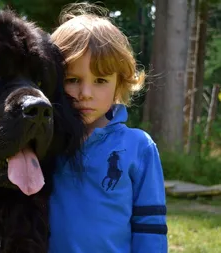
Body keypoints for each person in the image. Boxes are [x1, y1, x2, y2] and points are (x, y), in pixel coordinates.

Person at [48, 3, 168, 253]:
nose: (86, 93)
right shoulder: (46, 140)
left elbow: (150, 224)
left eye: (101, 80)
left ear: (120, 83)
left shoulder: (139, 147)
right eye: (72, 80)